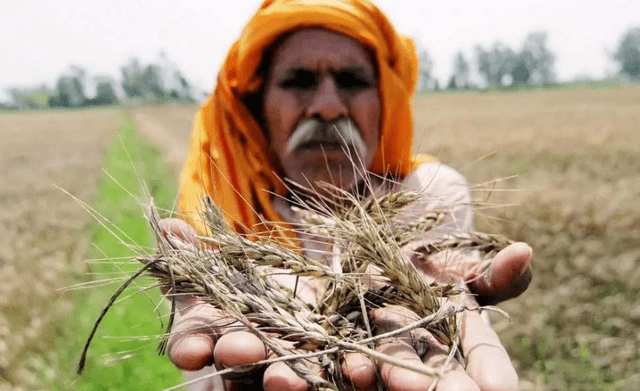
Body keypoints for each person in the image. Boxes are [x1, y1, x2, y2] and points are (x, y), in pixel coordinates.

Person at [160, 1, 533, 390]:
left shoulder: (430, 193)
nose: (327, 107)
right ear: (260, 110)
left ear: (384, 103)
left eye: (353, 81)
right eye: (299, 81)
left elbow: (447, 310)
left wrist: (418, 295)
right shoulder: (225, 212)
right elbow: (207, 373)